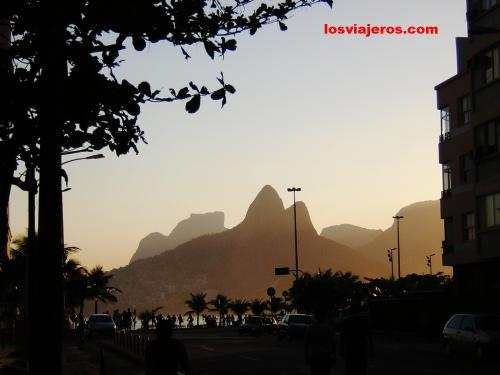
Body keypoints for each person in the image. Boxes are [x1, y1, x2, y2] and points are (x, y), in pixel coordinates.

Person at [340, 303, 374, 375]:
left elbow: (342, 336)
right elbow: (369, 336)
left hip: (350, 347)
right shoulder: (363, 320)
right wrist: (371, 349)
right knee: (361, 368)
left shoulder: (346, 320)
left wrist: (341, 349)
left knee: (350, 368)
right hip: (361, 347)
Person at [304, 311, 336, 375]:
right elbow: (333, 343)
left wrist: (306, 356)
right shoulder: (328, 328)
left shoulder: (311, 327)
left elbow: (306, 343)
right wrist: (334, 355)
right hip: (325, 356)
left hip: (315, 355)